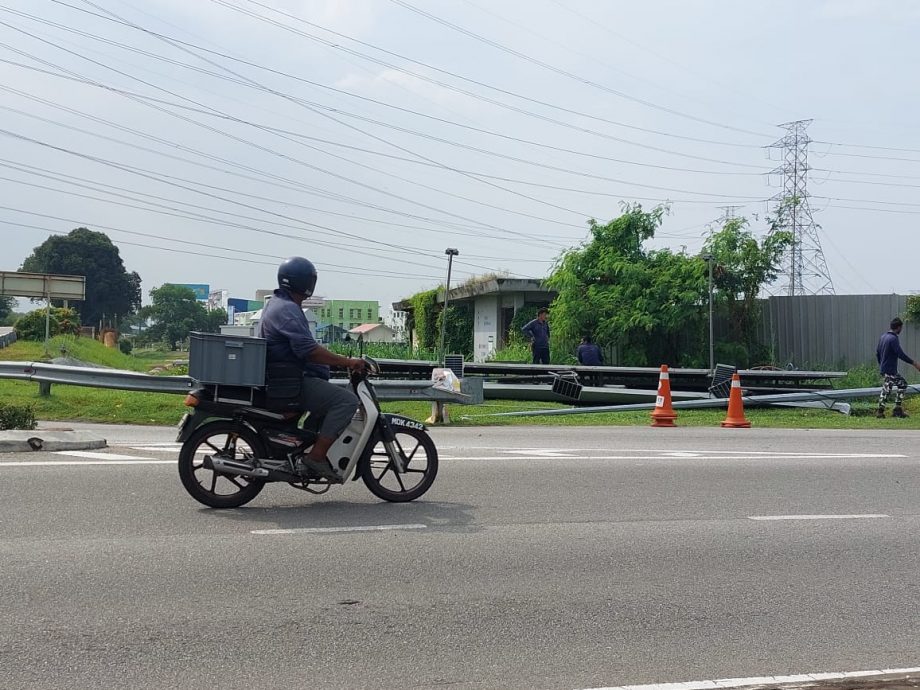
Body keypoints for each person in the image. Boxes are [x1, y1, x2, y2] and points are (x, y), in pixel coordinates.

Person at [258, 257, 366, 480]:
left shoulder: (279, 304)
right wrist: (348, 362)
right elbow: (310, 351)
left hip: (286, 378)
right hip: (288, 382)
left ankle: (305, 445)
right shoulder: (287, 309)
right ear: (304, 282)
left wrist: (331, 364)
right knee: (346, 401)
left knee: (326, 397)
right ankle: (315, 458)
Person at [876, 316, 920, 419]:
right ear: (899, 327)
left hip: (886, 368)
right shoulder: (893, 338)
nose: (901, 330)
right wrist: (914, 363)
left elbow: (877, 353)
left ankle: (893, 409)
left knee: (898, 385)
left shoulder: (883, 337)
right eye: (901, 328)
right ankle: (885, 411)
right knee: (890, 388)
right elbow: (900, 354)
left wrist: (881, 365)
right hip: (890, 369)